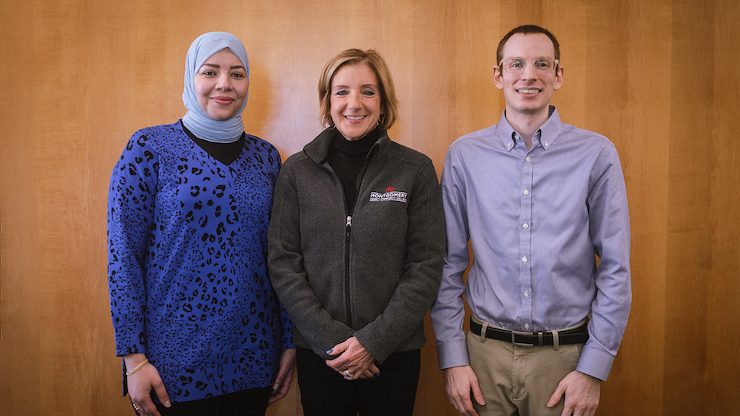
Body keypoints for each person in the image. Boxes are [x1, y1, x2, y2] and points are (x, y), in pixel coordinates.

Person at [430, 25, 631, 416]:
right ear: (498, 75)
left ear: (558, 75)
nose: (529, 75)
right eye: (516, 63)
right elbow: (446, 264)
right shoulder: (464, 156)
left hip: (566, 361)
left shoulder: (596, 154)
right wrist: (453, 358)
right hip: (483, 359)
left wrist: (593, 369)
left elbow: (616, 267)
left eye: (542, 63)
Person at [107, 31, 295, 416]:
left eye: (237, 74)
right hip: (170, 366)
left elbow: (283, 257)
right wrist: (133, 359)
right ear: (192, 77)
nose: (224, 84)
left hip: (254, 358)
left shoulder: (267, 158)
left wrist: (290, 342)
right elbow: (122, 257)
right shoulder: (148, 149)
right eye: (210, 71)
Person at [267, 48, 445, 416]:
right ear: (327, 101)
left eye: (368, 91)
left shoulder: (415, 170)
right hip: (322, 355)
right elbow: (284, 263)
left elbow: (425, 266)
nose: (354, 103)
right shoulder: (297, 172)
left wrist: (372, 342)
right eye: (342, 91)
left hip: (393, 354)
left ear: (383, 102)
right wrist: (334, 342)